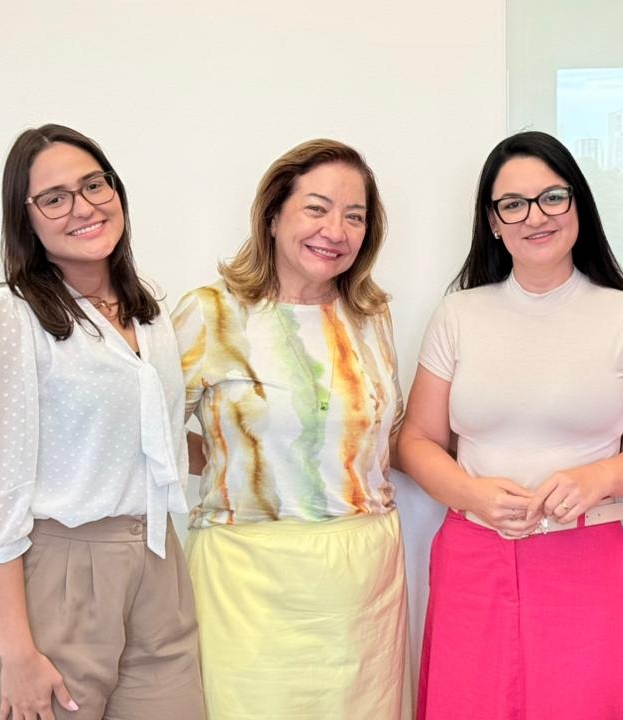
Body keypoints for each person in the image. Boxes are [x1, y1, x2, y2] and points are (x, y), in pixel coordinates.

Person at [399, 130, 623, 719]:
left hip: (587, 559)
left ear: (578, 203)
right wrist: (470, 493)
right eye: (513, 204)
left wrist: (598, 477)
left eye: (553, 197)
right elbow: (415, 440)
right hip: (474, 558)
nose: (536, 216)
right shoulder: (458, 315)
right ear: (493, 222)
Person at [0, 124, 204, 719]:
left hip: (158, 564)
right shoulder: (11, 313)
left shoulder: (148, 312)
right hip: (56, 579)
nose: (84, 207)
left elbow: (156, 441)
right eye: (54, 198)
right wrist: (17, 652)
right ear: (26, 219)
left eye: (94, 185)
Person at [173, 139, 409, 719]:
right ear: (273, 215)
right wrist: (234, 454)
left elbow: (375, 438)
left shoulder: (371, 316)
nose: (336, 230)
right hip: (247, 582)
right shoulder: (212, 313)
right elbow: (147, 434)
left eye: (355, 216)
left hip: (362, 586)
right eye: (317, 208)